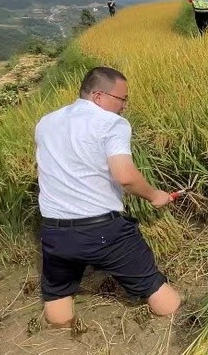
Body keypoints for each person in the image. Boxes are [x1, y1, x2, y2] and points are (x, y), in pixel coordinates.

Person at [35, 66, 184, 327]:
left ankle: (64, 339)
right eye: (122, 99)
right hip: (102, 230)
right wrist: (155, 196)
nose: (125, 106)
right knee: (159, 294)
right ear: (99, 96)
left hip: (53, 232)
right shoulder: (111, 123)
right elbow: (124, 176)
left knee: (57, 295)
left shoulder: (46, 122)